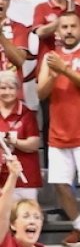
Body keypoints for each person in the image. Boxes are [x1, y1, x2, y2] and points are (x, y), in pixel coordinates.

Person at [38, 11, 80, 247]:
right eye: (63, 27)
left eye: (72, 26)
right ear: (57, 31)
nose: (68, 31)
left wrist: (64, 69)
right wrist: (54, 76)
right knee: (59, 183)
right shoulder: (51, 57)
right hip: (59, 131)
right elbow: (40, 93)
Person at [0, 70, 40, 201]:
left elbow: (34, 144)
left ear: (18, 90)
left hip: (24, 176)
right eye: (3, 88)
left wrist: (14, 142)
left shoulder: (26, 113)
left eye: (11, 88)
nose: (7, 92)